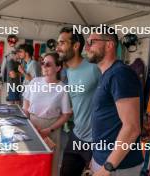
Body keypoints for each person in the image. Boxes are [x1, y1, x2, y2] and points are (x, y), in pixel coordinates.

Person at [86, 26, 143, 176]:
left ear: (110, 44)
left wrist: (108, 167)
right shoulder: (107, 74)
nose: (87, 47)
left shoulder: (120, 74)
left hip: (118, 167)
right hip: (105, 160)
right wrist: (96, 157)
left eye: (92, 42)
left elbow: (132, 127)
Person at [56, 27, 101, 176]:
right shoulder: (68, 71)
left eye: (62, 43)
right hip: (76, 135)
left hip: (95, 141)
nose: (57, 48)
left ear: (75, 46)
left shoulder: (94, 69)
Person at [23, 52, 72, 176]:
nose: (44, 66)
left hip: (51, 129)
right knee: (30, 161)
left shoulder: (62, 89)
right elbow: (26, 106)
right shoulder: (34, 82)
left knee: (49, 164)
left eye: (48, 64)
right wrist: (27, 125)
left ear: (58, 67)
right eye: (43, 63)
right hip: (32, 125)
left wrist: (49, 130)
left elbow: (66, 114)